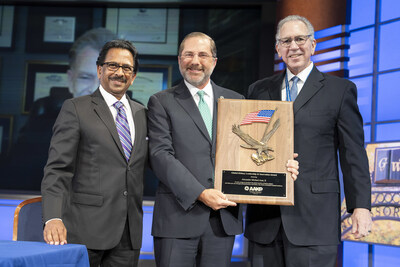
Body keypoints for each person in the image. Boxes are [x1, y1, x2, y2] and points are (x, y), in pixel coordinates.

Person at [147, 32, 299, 267]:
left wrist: (281, 161)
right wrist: (200, 193)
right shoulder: (161, 101)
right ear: (179, 60)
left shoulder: (235, 100)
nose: (195, 61)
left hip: (222, 222)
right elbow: (160, 156)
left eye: (202, 55)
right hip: (177, 220)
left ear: (214, 62)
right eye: (188, 54)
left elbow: (251, 148)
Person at [245, 15, 372, 267]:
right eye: (286, 40)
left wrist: (361, 207)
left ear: (313, 45)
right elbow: (248, 146)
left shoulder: (340, 90)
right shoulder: (257, 90)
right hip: (265, 220)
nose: (294, 46)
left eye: (300, 39)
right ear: (278, 48)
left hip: (315, 218)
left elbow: (353, 154)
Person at [41, 39, 147, 267]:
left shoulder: (143, 113)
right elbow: (58, 169)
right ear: (100, 70)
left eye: (127, 68)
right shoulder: (76, 108)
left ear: (134, 75)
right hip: (84, 230)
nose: (120, 73)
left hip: (129, 234)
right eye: (113, 66)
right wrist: (53, 217)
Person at [0, 28, 117, 191]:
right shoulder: (38, 131)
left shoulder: (140, 129)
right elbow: (16, 191)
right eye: (85, 77)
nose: (96, 89)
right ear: (71, 81)